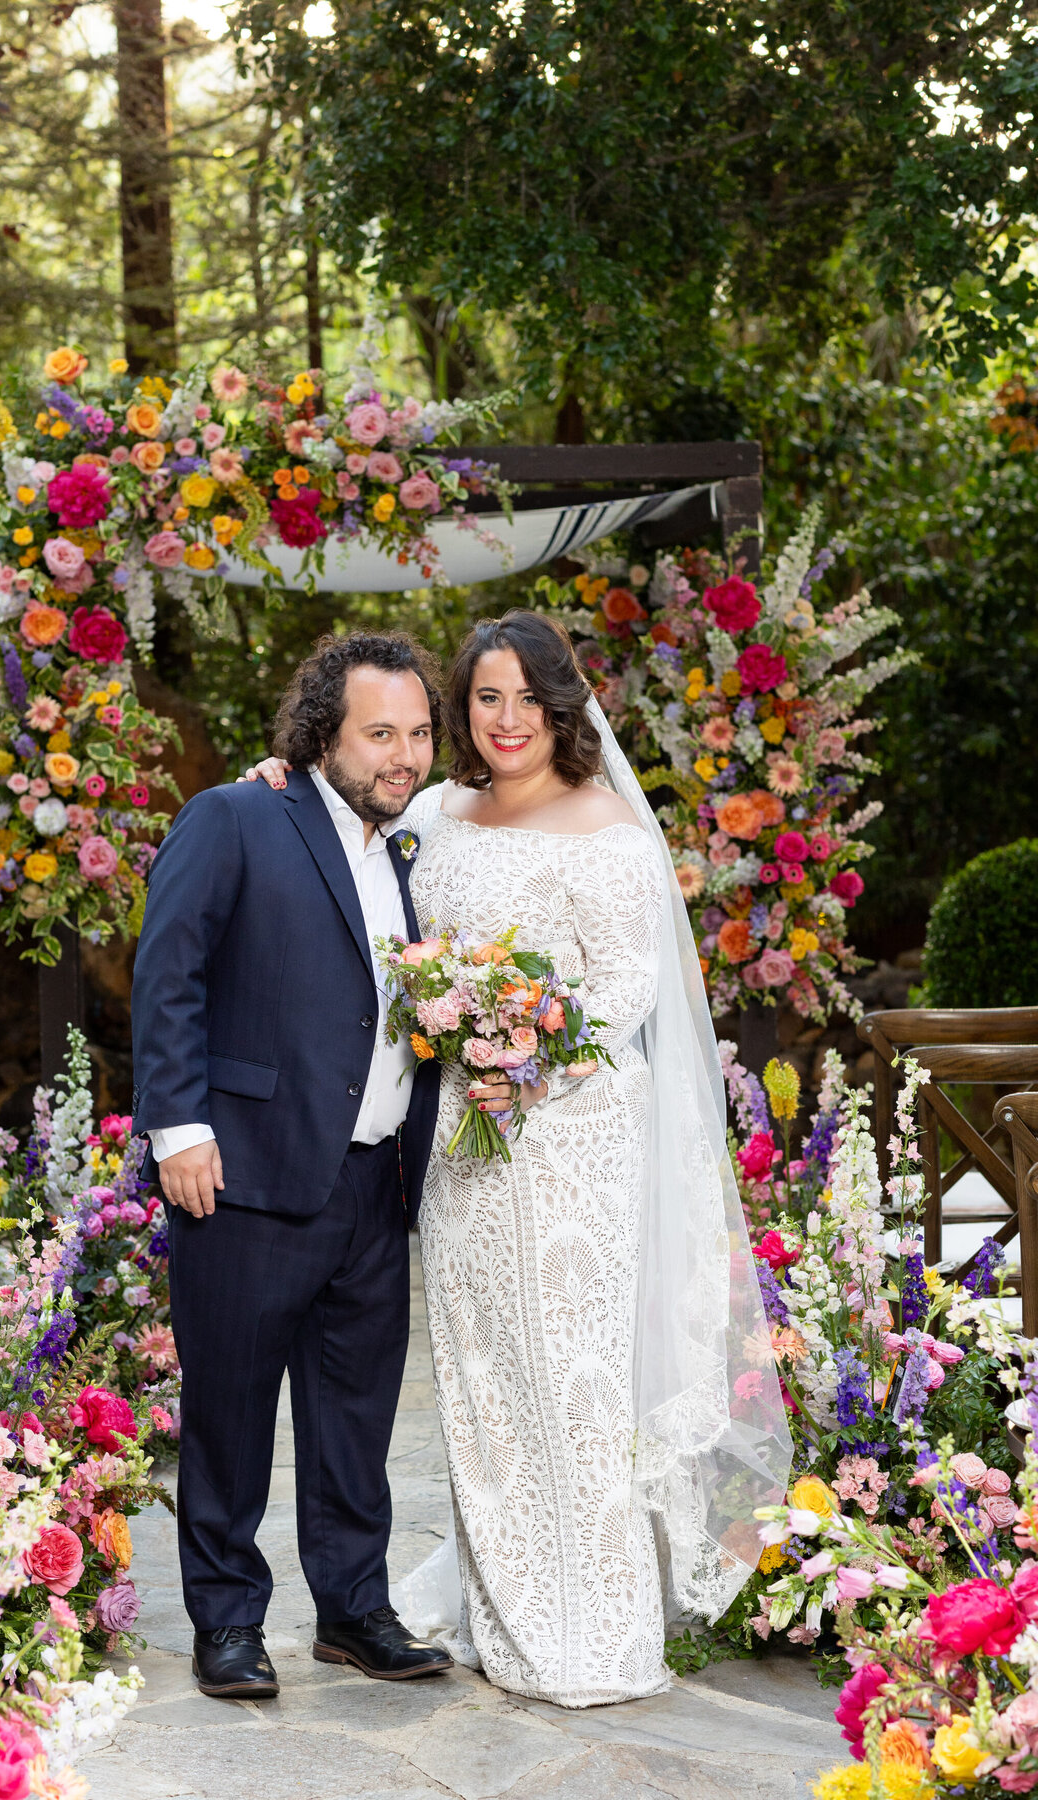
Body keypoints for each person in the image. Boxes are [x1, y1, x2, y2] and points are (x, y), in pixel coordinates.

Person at [247, 610, 791, 1708]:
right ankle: (509, 1613)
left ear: (562, 705)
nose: (506, 721)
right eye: (485, 699)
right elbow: (357, 860)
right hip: (461, 1149)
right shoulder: (438, 815)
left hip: (574, 1141)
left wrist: (531, 1056)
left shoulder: (612, 833)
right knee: (484, 1382)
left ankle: (595, 1630)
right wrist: (286, 771)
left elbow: (627, 990)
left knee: (574, 1380)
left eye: (526, 699)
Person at [131, 631, 450, 1701]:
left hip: (375, 1180)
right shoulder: (235, 816)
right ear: (324, 732)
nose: (402, 756)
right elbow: (168, 965)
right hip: (246, 1172)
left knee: (356, 1414)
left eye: (416, 734)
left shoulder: (415, 850)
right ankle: (226, 1622)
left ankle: (355, 1610)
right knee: (229, 1411)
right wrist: (179, 1128)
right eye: (379, 735)